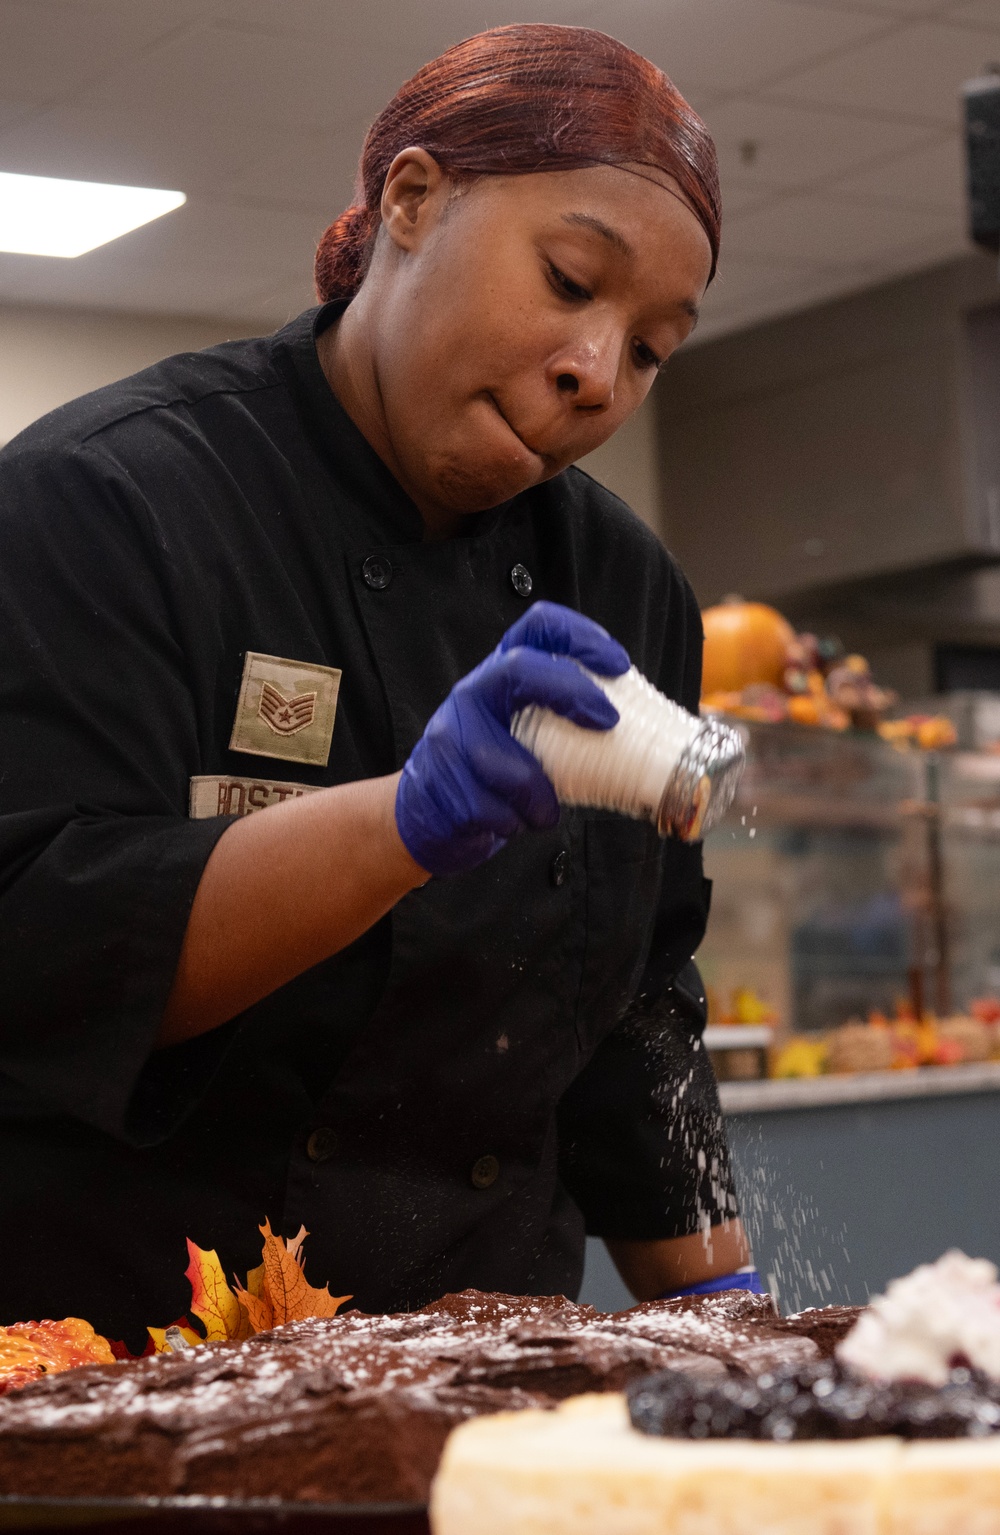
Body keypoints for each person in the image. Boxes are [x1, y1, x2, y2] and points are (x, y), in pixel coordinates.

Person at [0, 23, 755, 1348]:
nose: (596, 371)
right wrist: (398, 824)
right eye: (572, 278)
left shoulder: (629, 595)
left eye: (651, 350)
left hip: (480, 1360)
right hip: (129, 1368)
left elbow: (637, 1016)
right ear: (411, 201)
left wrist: (735, 1323)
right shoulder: (110, 502)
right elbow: (39, 948)